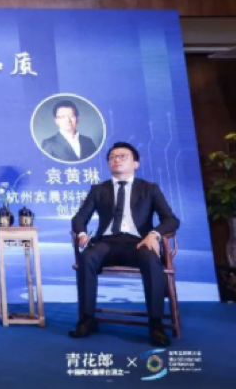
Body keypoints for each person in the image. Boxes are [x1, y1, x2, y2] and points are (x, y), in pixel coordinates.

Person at [70, 142, 180, 346]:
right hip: (106, 243)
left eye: (122, 156)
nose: (116, 160)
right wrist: (83, 234)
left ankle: (156, 325)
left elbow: (171, 220)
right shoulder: (98, 190)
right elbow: (79, 218)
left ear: (136, 163)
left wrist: (154, 234)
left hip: (138, 243)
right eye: (112, 157)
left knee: (152, 260)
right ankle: (87, 319)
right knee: (87, 258)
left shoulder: (149, 189)